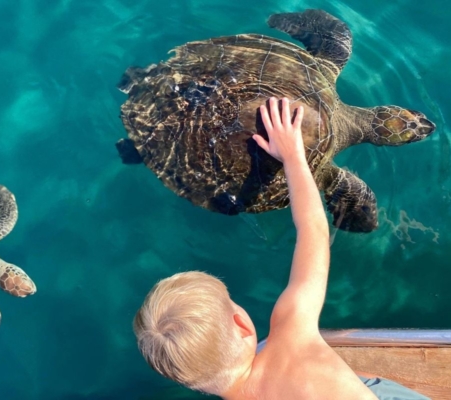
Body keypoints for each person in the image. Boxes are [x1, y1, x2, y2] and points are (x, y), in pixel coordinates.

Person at [133, 97, 430, 399]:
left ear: (186, 381)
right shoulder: (291, 334)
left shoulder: (291, 335)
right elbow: (313, 229)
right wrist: (293, 157)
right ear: (241, 323)